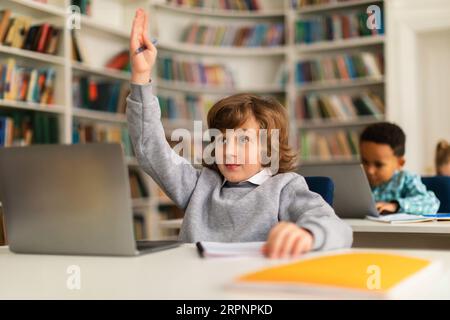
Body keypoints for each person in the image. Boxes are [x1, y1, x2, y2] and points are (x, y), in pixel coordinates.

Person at [126, 8, 352, 258]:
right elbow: (150, 148)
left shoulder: (285, 187)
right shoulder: (198, 185)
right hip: (191, 283)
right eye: (222, 139)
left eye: (244, 139)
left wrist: (309, 234)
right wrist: (141, 75)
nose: (229, 150)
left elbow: (338, 229)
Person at [360, 122, 440, 215]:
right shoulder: (357, 180)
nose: (370, 171)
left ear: (399, 163)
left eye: (379, 165)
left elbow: (431, 203)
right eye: (365, 162)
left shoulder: (406, 179)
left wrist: (396, 206)